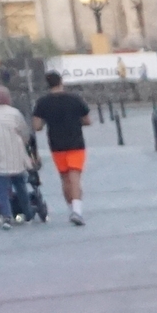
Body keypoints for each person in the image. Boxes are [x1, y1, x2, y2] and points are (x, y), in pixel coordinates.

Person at [31, 70, 94, 225]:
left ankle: (71, 209)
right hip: (76, 142)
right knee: (75, 177)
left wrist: (49, 120)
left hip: (56, 144)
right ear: (61, 82)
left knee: (65, 178)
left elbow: (37, 126)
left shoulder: (43, 102)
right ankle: (77, 211)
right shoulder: (74, 99)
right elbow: (87, 120)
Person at [0, 86, 33, 228]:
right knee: (20, 185)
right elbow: (25, 132)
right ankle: (27, 213)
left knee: (1, 188)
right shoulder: (14, 113)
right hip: (15, 155)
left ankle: (7, 216)